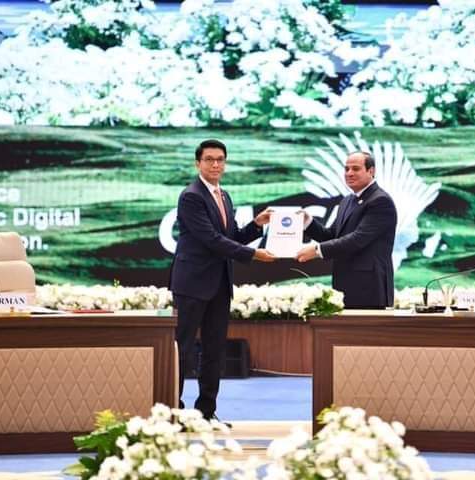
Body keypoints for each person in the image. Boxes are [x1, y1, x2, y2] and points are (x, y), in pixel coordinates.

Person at [170, 139, 276, 418]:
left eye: (220, 159)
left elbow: (231, 237)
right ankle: (173, 413)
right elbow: (212, 240)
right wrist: (254, 255)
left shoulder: (224, 196)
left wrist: (257, 225)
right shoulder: (191, 196)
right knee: (182, 350)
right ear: (198, 163)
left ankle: (206, 412)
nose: (215, 164)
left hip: (219, 285)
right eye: (209, 159)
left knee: (214, 351)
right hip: (192, 285)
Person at [296, 151, 397, 309]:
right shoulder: (347, 201)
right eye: (346, 169)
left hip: (369, 288)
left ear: (371, 171)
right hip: (344, 285)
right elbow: (332, 236)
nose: (349, 173)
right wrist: (308, 222)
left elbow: (358, 239)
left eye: (355, 169)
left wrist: (317, 250)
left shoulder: (380, 201)